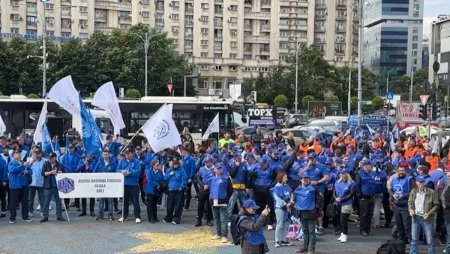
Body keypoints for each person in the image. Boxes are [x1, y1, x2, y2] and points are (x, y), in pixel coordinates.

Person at [293, 172, 324, 254]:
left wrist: (316, 208)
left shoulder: (314, 188)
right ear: (301, 180)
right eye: (304, 178)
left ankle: (311, 249)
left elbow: (320, 200)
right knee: (305, 231)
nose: (306, 180)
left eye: (307, 178)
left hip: (311, 212)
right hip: (301, 212)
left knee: (311, 231)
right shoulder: (297, 189)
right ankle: (305, 247)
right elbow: (295, 200)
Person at [408, 175, 439, 254]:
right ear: (416, 182)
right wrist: (411, 210)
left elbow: (436, 205)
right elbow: (410, 203)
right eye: (420, 182)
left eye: (423, 182)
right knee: (414, 240)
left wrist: (429, 213)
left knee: (430, 241)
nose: (422, 184)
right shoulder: (413, 191)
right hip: (415, 218)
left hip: (427, 219)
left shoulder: (431, 192)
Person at [390, 161, 415, 244]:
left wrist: (403, 195)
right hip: (397, 205)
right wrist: (392, 195)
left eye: (403, 170)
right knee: (399, 226)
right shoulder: (394, 180)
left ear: (406, 171)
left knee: (407, 226)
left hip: (406, 206)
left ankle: (412, 243)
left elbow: (413, 192)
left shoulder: (410, 179)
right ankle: (401, 243)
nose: (401, 172)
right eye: (399, 170)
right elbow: (391, 190)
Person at [116, 147, 142, 223]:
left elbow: (138, 171)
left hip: (133, 184)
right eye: (126, 153)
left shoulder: (136, 161)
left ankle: (137, 216)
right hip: (124, 184)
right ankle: (124, 215)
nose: (127, 155)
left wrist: (129, 173)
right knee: (125, 201)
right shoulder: (122, 161)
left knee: (135, 201)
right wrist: (122, 171)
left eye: (128, 153)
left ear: (132, 153)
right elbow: (117, 169)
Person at [209, 162, 232, 243]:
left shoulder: (226, 178)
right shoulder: (211, 178)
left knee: (223, 219)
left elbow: (230, 190)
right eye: (217, 168)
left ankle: (224, 235)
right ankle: (218, 234)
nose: (219, 170)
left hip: (223, 201)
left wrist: (226, 198)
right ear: (214, 169)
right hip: (213, 200)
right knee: (216, 219)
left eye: (220, 168)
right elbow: (210, 190)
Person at [40, 152, 65, 222]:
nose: (50, 159)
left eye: (51, 158)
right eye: (49, 158)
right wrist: (51, 172)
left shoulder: (59, 164)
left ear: (55, 158)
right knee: (46, 202)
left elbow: (63, 172)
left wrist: (58, 172)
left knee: (59, 202)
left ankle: (59, 216)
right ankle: (45, 216)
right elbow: (43, 173)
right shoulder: (46, 163)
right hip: (48, 186)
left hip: (57, 186)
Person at [8, 150, 32, 223]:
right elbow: (13, 170)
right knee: (14, 203)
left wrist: (27, 172)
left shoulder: (23, 162)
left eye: (19, 154)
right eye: (17, 154)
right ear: (13, 156)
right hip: (15, 186)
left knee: (25, 202)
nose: (19, 155)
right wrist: (22, 166)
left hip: (24, 185)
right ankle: (12, 218)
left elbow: (31, 171)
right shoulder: (11, 163)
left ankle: (25, 217)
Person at [252, 156, 276, 231]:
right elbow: (253, 177)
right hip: (258, 190)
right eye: (260, 164)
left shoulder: (271, 169)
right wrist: (254, 185)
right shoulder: (256, 169)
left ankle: (270, 223)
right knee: (259, 207)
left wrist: (271, 186)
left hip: (267, 190)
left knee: (269, 206)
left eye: (263, 164)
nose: (261, 165)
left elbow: (275, 178)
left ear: (266, 163)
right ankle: (260, 222)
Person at [93, 149, 117, 221]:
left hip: (110, 185)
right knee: (101, 200)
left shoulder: (113, 163)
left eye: (106, 154)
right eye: (104, 154)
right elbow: (94, 172)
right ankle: (100, 215)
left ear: (109, 155)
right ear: (102, 155)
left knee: (110, 200)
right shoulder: (99, 163)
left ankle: (110, 215)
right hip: (101, 185)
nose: (105, 156)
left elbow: (117, 173)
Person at [271, 171, 293, 248]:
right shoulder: (276, 188)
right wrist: (286, 205)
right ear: (281, 178)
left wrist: (291, 202)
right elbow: (278, 199)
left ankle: (284, 239)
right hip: (280, 208)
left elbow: (291, 195)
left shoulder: (287, 186)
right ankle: (277, 240)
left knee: (286, 224)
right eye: (285, 177)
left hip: (288, 207)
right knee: (280, 225)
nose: (286, 179)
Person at [334, 168, 356, 243]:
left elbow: (351, 194)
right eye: (341, 174)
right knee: (339, 219)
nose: (343, 175)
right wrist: (336, 198)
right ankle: (342, 234)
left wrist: (342, 199)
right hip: (338, 203)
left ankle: (345, 235)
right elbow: (334, 191)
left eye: (344, 174)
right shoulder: (337, 182)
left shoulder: (352, 183)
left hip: (347, 203)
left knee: (343, 220)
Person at [355, 159, 376, 236]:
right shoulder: (359, 174)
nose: (372, 166)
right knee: (363, 214)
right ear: (366, 166)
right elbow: (357, 186)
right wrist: (360, 196)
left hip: (372, 196)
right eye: (371, 165)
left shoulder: (372, 173)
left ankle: (368, 229)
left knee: (370, 214)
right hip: (364, 197)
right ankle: (363, 229)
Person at [163, 158, 187, 225]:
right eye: (174, 164)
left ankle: (176, 219)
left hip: (178, 190)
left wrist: (181, 187)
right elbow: (164, 178)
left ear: (178, 164)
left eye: (176, 164)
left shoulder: (182, 170)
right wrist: (169, 174)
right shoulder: (169, 170)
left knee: (178, 205)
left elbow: (184, 179)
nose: (175, 165)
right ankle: (168, 218)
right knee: (169, 205)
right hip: (171, 189)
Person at [228, 154, 249, 223]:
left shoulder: (244, 165)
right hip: (234, 188)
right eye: (238, 158)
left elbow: (245, 177)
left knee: (244, 205)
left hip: (242, 188)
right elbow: (232, 174)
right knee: (231, 205)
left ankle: (244, 219)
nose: (239, 159)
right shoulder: (231, 164)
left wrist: (247, 187)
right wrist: (236, 166)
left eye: (240, 157)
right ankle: (229, 220)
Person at [195, 157, 214, 227]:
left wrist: (209, 185)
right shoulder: (201, 169)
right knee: (200, 205)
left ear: (211, 162)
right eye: (205, 162)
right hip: (202, 190)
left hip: (210, 189)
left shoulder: (214, 169)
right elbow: (198, 178)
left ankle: (209, 220)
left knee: (209, 205)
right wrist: (203, 185)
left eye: (208, 162)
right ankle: (198, 220)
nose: (206, 163)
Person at [27, 148, 46, 217]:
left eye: (38, 153)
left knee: (42, 198)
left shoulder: (45, 161)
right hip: (32, 183)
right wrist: (31, 162)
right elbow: (25, 169)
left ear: (41, 153)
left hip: (41, 182)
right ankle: (30, 211)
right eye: (35, 153)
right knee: (30, 198)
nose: (37, 154)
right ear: (33, 153)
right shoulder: (29, 159)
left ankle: (43, 211)